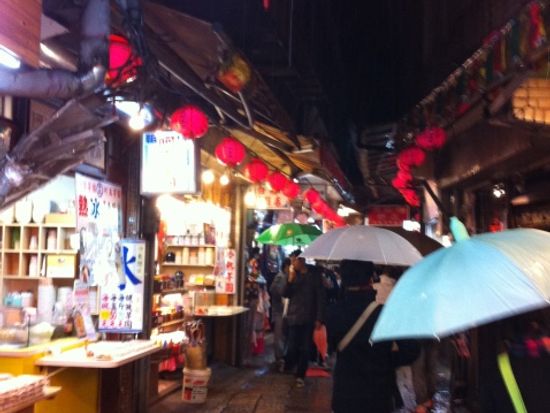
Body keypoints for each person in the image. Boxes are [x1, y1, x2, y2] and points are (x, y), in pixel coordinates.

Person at [327, 259, 420, 413]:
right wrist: (385, 360)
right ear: (371, 280)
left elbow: (331, 346)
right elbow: (412, 350)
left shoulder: (333, 311)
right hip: (378, 394)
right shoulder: (386, 313)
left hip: (344, 394)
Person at [283, 251, 326, 388]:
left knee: (306, 347)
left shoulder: (314, 275)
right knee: (292, 346)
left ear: (301, 260)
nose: (292, 264)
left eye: (294, 261)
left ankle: (300, 374)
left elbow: (320, 297)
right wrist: (290, 281)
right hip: (294, 316)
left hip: (309, 317)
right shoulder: (291, 275)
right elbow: (286, 294)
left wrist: (319, 318)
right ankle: (292, 366)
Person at [269, 257, 290, 371]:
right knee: (279, 335)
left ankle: (281, 358)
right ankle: (279, 359)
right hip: (280, 311)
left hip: (281, 311)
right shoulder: (281, 277)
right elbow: (280, 293)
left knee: (281, 335)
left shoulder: (283, 277)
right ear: (286, 267)